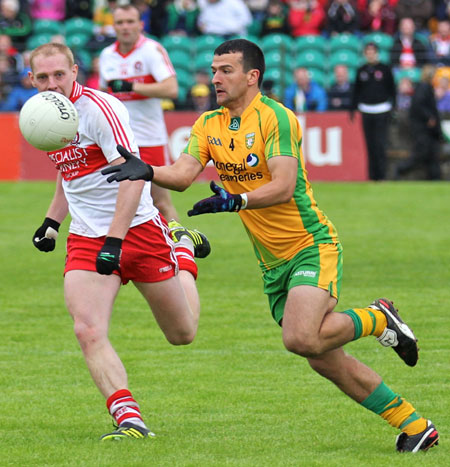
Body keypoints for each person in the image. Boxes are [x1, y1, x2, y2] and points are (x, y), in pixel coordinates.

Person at [103, 38, 440, 453]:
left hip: (310, 244)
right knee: (321, 356)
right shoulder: (208, 123)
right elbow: (183, 173)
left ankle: (377, 318)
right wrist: (146, 170)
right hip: (271, 263)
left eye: (225, 70)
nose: (215, 78)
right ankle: (414, 424)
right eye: (213, 70)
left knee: (300, 339)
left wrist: (237, 199)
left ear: (252, 75)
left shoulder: (276, 117)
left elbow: (283, 186)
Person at [29, 42, 211, 441]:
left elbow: (132, 175)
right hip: (86, 237)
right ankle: (129, 419)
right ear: (31, 80)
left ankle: (182, 250)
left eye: (59, 74)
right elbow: (69, 171)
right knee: (87, 330)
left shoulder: (101, 109)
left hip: (139, 230)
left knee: (182, 334)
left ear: (75, 72)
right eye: (42, 77)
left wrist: (115, 240)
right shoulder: (42, 115)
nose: (52, 84)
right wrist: (52, 222)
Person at [99, 4, 180, 222]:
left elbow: (171, 89)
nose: (125, 27)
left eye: (130, 21)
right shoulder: (107, 55)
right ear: (113, 26)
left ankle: (182, 250)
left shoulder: (151, 50)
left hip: (149, 138)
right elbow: (101, 93)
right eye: (120, 22)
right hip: (118, 140)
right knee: (120, 203)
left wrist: (131, 87)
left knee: (160, 202)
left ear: (140, 24)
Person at [351, 42, 396, 180]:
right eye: (367, 52)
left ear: (377, 53)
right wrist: (352, 109)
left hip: (382, 110)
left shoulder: (385, 69)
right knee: (369, 145)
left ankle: (382, 176)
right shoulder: (361, 70)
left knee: (380, 145)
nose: (370, 55)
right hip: (366, 110)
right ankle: (372, 177)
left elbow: (392, 89)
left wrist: (394, 107)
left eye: (372, 52)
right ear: (365, 54)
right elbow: (356, 91)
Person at [395, 65, 443, 180]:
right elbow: (419, 105)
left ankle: (435, 177)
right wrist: (429, 117)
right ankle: (401, 168)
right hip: (423, 129)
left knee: (431, 155)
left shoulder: (424, 88)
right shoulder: (424, 88)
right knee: (422, 153)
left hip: (426, 129)